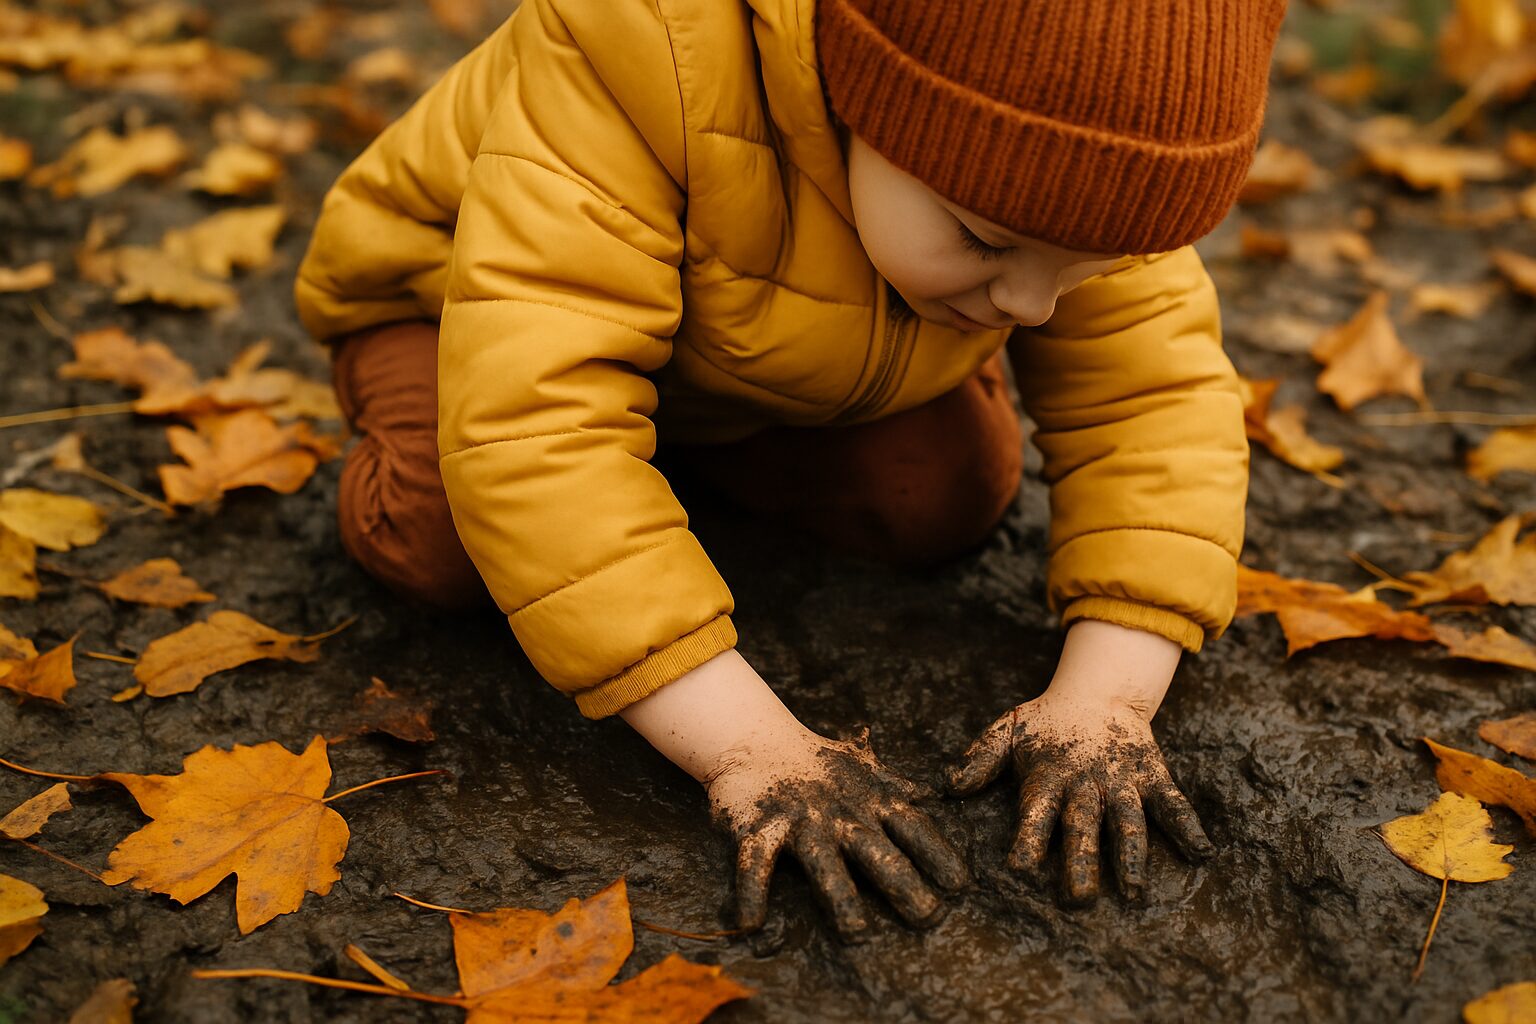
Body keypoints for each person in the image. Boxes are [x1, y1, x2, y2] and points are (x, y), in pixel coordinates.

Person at [295, 0, 1287, 942]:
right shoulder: (638, 50)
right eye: (986, 241)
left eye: (1087, 268)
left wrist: (1106, 699)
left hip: (745, 343)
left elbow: (1155, 403)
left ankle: (647, 494)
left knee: (937, 495)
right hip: (462, 310)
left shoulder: (1100, 166)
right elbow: (534, 420)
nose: (1032, 304)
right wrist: (747, 745)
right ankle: (537, 493)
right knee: (443, 536)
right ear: (860, 102)